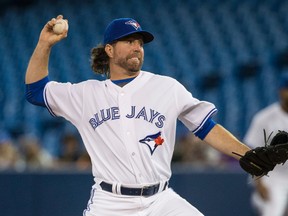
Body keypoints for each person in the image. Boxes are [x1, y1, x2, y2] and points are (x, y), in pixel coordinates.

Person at [25, 15, 252, 216]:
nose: (137, 47)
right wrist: (44, 44)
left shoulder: (167, 87)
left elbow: (206, 127)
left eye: (140, 43)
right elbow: (36, 90)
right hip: (110, 203)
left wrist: (246, 154)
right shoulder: (85, 94)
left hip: (161, 200)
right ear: (110, 50)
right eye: (129, 41)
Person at [243, 73, 288, 216]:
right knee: (272, 212)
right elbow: (251, 153)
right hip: (273, 175)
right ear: (281, 90)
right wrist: (258, 182)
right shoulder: (265, 117)